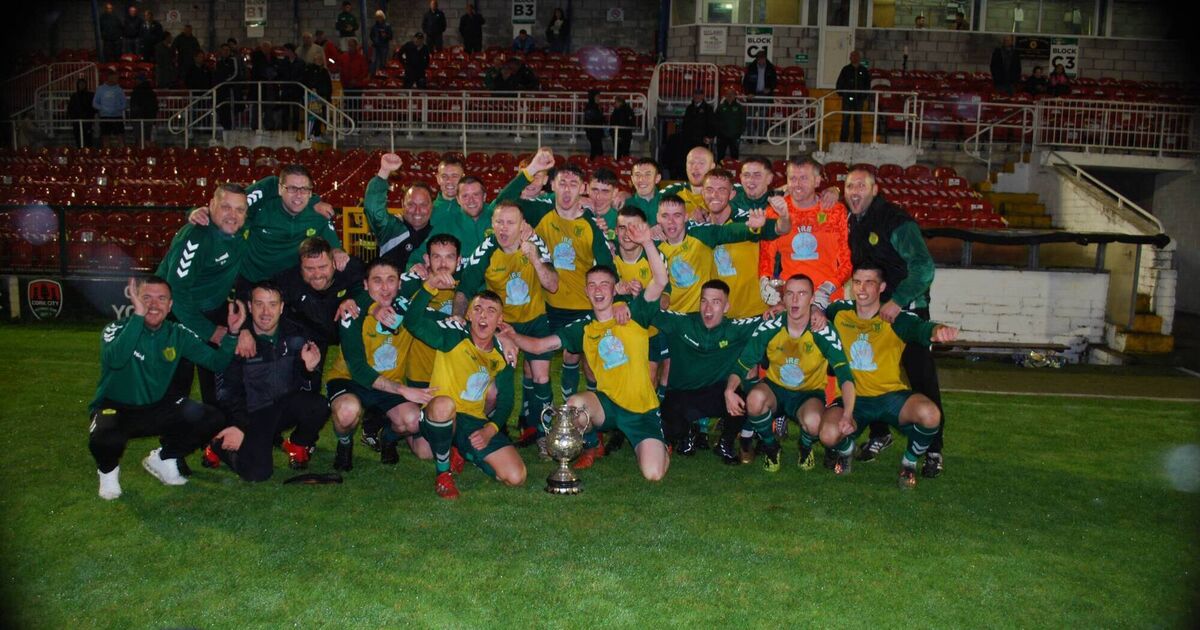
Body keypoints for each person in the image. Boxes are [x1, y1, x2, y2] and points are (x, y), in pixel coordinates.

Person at [499, 226, 671, 481]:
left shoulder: (634, 313)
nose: (598, 290)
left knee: (653, 474)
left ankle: (657, 445)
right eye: (592, 285)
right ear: (587, 291)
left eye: (604, 285)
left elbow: (660, 281)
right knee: (574, 407)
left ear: (614, 290)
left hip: (642, 411)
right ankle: (591, 444)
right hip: (607, 404)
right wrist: (511, 335)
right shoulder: (583, 328)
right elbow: (539, 346)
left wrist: (647, 242)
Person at [88, 277, 244, 500]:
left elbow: (216, 362)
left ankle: (164, 458)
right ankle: (108, 472)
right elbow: (115, 360)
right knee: (105, 437)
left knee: (212, 417)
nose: (153, 304)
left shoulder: (177, 333)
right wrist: (138, 318)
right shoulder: (116, 329)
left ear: (170, 305)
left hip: (156, 407)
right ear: (136, 300)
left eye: (161, 299)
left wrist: (233, 334)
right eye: (146, 298)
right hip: (115, 407)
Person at [834, 167, 943, 477]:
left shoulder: (895, 220)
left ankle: (934, 449)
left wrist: (898, 300)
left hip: (905, 312)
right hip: (874, 314)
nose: (854, 191)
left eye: (861, 186)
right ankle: (879, 434)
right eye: (849, 186)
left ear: (875, 189)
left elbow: (924, 267)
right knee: (870, 372)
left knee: (922, 379)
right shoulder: (853, 219)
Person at [820, 266, 958, 489]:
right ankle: (846, 451)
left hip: (890, 396)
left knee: (931, 415)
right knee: (827, 434)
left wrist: (939, 331)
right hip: (852, 399)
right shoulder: (839, 311)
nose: (861, 288)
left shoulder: (894, 318)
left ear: (882, 287)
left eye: (869, 282)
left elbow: (922, 329)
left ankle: (909, 462)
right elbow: (811, 314)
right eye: (857, 282)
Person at [402, 266, 520, 498]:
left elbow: (507, 400)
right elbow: (412, 323)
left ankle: (465, 452)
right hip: (440, 413)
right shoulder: (452, 336)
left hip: (473, 420)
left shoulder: (503, 353)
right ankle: (443, 473)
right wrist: (429, 287)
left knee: (515, 477)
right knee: (443, 408)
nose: (483, 316)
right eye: (477, 309)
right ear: (468, 315)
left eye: (491, 311)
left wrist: (490, 429)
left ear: (500, 320)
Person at [726, 274, 855, 471]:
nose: (795, 300)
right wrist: (729, 390)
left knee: (814, 423)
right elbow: (743, 364)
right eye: (790, 294)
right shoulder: (770, 325)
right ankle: (771, 447)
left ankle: (805, 446)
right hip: (775, 389)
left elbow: (845, 376)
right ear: (783, 298)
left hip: (808, 395)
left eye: (802, 294)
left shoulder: (822, 330)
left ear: (812, 299)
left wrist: (847, 414)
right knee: (754, 400)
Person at [456, 201, 558, 445]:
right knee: (497, 385)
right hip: (502, 326)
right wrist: (458, 319)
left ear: (523, 225)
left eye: (510, 223)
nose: (504, 228)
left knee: (540, 377)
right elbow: (464, 289)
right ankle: (491, 428)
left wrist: (534, 258)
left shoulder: (535, 243)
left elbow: (552, 285)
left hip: (535, 320)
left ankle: (544, 434)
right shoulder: (486, 249)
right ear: (492, 224)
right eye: (499, 222)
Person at [209, 281, 329, 479]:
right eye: (259, 304)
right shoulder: (236, 341)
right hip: (252, 415)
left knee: (319, 405)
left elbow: (307, 390)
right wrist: (240, 426)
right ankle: (218, 444)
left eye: (272, 304)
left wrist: (308, 371)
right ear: (250, 306)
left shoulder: (296, 335)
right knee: (258, 473)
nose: (266, 312)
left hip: (281, 408)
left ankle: (297, 444)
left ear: (281, 307)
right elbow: (226, 392)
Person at [325, 258, 436, 471]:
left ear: (399, 283)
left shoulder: (406, 302)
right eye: (377, 281)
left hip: (388, 382)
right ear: (365, 285)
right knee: (347, 412)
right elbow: (358, 369)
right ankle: (345, 443)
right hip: (349, 379)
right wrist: (403, 390)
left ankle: (387, 436)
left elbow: (435, 274)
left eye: (391, 280)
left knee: (413, 421)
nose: (385, 288)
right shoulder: (352, 311)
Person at [654, 279, 764, 462]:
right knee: (669, 428)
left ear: (726, 307)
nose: (708, 308)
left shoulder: (735, 329)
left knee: (741, 400)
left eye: (716, 302)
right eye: (704, 301)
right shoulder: (682, 323)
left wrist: (780, 307)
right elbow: (649, 313)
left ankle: (726, 442)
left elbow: (770, 319)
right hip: (682, 393)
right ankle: (687, 433)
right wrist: (625, 299)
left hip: (716, 393)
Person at [656, 193, 785, 315]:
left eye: (677, 215)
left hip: (700, 317)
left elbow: (728, 232)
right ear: (657, 217)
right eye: (665, 216)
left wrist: (752, 228)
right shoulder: (653, 247)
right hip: (669, 317)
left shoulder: (700, 234)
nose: (671, 221)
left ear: (686, 217)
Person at [759, 157, 852, 315]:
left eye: (803, 178)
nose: (797, 184)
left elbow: (846, 261)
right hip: (791, 301)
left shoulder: (835, 211)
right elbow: (766, 255)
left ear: (817, 181)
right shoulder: (775, 210)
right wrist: (764, 280)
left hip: (828, 300)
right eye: (793, 178)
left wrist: (829, 287)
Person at [268, 236, 365, 361]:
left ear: (334, 263)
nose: (317, 275)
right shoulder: (288, 281)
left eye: (323, 267)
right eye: (309, 269)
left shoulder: (350, 269)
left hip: (347, 332)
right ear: (300, 267)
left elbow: (372, 292)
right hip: (310, 336)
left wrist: (355, 300)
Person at [362, 154, 434, 271]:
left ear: (432, 206)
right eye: (411, 204)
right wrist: (384, 171)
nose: (417, 211)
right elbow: (373, 209)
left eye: (423, 205)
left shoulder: (437, 232)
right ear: (402, 204)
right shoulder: (390, 228)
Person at [836, 50, 871, 143]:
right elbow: (839, 83)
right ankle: (843, 142)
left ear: (859, 58)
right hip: (847, 99)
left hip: (859, 100)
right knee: (845, 120)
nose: (854, 58)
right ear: (850, 58)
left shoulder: (864, 70)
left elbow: (867, 84)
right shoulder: (845, 70)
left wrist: (864, 96)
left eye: (856, 56)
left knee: (858, 121)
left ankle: (857, 142)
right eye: (852, 56)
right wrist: (843, 94)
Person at [623, 158, 664, 224]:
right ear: (632, 179)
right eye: (637, 175)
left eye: (647, 174)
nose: (641, 179)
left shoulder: (668, 204)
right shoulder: (624, 205)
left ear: (657, 178)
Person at [93, 72, 127, 148]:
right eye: (115, 77)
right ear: (110, 77)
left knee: (120, 137)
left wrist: (117, 108)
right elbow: (94, 103)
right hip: (105, 117)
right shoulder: (100, 89)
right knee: (105, 137)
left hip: (117, 117)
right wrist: (103, 108)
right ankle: (106, 153)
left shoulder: (119, 90)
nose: (117, 79)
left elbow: (124, 104)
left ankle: (123, 153)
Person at [714, 87, 746, 162]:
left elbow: (743, 122)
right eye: (728, 94)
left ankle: (734, 169)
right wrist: (718, 132)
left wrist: (739, 133)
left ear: (735, 96)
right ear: (725, 95)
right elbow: (715, 120)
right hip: (721, 137)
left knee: (734, 157)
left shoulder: (740, 108)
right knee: (720, 156)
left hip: (734, 137)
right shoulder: (720, 107)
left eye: (732, 94)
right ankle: (719, 169)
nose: (730, 95)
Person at [66, 79, 96, 148]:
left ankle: (88, 150)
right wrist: (72, 117)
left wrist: (90, 115)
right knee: (78, 136)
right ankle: (79, 150)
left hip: (87, 120)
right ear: (78, 85)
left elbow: (93, 107)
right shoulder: (74, 96)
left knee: (88, 137)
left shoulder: (90, 95)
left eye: (83, 84)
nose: (82, 85)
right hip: (76, 120)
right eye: (80, 84)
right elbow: (70, 107)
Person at [368, 10, 394, 75]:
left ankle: (382, 75)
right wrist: (374, 40)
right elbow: (371, 35)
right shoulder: (374, 26)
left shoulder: (387, 26)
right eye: (377, 17)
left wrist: (385, 36)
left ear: (382, 17)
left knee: (383, 62)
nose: (378, 19)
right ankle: (373, 75)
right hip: (375, 46)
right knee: (373, 61)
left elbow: (391, 37)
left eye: (380, 17)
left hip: (384, 46)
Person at [583, 90, 606, 159]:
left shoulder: (596, 106)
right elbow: (593, 118)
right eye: (597, 96)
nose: (599, 98)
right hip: (593, 132)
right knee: (596, 150)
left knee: (597, 150)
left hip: (597, 131)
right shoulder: (590, 107)